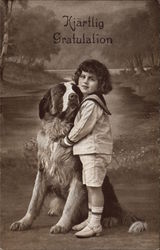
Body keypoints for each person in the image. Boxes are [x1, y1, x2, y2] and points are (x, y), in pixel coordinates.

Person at [61, 59, 113, 238]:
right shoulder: (90, 100)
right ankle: (91, 219)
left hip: (95, 152)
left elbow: (83, 127)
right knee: (90, 186)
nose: (84, 81)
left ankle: (95, 225)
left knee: (94, 187)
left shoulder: (92, 102)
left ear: (101, 83)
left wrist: (67, 140)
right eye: (82, 76)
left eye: (91, 78)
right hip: (89, 152)